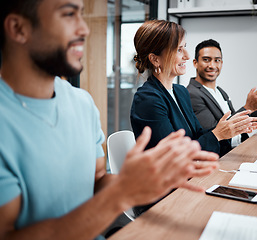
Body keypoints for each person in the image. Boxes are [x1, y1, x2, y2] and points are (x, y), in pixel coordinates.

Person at [0, 1, 221, 239]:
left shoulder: (82, 103)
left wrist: (138, 181)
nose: (84, 29)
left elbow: (95, 182)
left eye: (82, 15)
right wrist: (122, 193)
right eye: (68, 14)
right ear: (18, 28)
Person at [131, 20, 257, 157]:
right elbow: (172, 156)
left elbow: (197, 135)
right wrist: (217, 134)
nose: (187, 56)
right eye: (179, 49)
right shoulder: (148, 99)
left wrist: (229, 130)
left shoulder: (180, 91)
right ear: (155, 59)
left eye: (184, 47)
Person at [187, 39, 257, 148]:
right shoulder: (192, 94)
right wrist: (248, 106)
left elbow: (235, 120)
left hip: (239, 147)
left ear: (221, 63)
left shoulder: (220, 91)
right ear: (195, 63)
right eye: (206, 60)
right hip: (223, 155)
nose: (212, 65)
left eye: (217, 60)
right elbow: (215, 132)